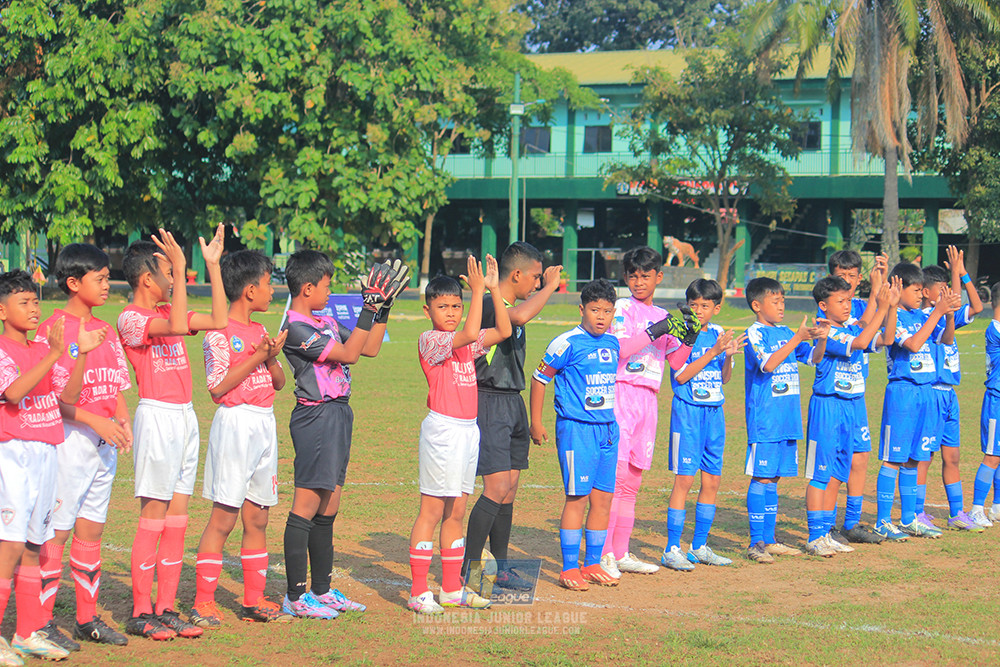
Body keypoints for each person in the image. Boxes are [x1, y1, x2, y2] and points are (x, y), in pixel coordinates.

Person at [279, 252, 405, 618]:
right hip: (315, 416)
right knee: (306, 505)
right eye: (327, 285)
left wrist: (381, 309)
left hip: (338, 415)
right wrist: (367, 305)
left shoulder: (325, 321)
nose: (330, 292)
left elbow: (369, 348)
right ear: (307, 287)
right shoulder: (297, 328)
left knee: (329, 505)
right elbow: (349, 355)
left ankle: (321, 589)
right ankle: (295, 597)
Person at [117, 226, 227, 640]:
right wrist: (181, 268)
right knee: (154, 516)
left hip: (184, 417)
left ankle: (166, 607)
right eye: (166, 273)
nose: (173, 279)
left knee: (178, 518)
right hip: (157, 416)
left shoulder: (167, 312)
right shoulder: (131, 318)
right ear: (148, 279)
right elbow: (181, 323)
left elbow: (218, 319)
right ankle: (141, 611)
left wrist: (211, 267)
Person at [0, 270, 105, 663]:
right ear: (1, 309)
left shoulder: (43, 348)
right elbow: (12, 393)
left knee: (33, 545)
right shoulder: (6, 350)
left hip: (46, 451)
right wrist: (53, 353)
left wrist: (82, 354)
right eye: (23, 302)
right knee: (8, 545)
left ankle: (27, 633)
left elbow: (69, 395)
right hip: (13, 453)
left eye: (34, 301)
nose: (33, 309)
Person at [35, 244, 133, 650]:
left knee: (91, 531)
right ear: (74, 283)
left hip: (103, 443)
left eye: (108, 277)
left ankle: (86, 618)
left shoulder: (105, 329)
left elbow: (117, 383)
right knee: (56, 532)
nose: (108, 285)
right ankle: (40, 623)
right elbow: (52, 399)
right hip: (70, 440)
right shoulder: (54, 331)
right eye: (100, 278)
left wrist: (122, 418)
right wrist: (94, 420)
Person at [190, 250, 290, 627]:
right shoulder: (218, 334)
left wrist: (271, 356)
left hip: (265, 423)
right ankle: (203, 602)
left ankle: (253, 599)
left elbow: (279, 383)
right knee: (224, 517)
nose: (272, 291)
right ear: (250, 291)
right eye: (267, 284)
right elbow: (217, 388)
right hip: (235, 424)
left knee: (258, 517)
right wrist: (254, 357)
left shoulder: (260, 332)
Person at [408, 255, 511, 614]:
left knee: (457, 511)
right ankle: (419, 591)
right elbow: (468, 332)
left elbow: (503, 331)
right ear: (428, 310)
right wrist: (478, 289)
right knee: (432, 510)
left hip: (469, 431)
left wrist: (494, 291)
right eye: (443, 306)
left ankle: (451, 589)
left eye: (456, 305)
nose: (450, 312)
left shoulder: (465, 342)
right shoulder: (431, 340)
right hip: (443, 431)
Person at [463, 242, 562, 588]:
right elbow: (517, 317)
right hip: (490, 401)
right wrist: (551, 286)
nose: (537, 283)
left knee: (510, 489)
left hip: (512, 401)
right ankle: (470, 570)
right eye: (535, 277)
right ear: (516, 274)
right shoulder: (492, 304)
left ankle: (500, 568)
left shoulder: (512, 306)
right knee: (496, 487)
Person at [600, 246, 694, 578]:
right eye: (633, 275)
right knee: (616, 478)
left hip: (649, 401)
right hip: (622, 394)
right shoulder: (622, 309)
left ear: (659, 277)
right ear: (626, 277)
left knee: (634, 482)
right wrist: (657, 330)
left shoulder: (662, 315)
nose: (639, 281)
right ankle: (604, 552)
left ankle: (621, 552)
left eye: (645, 275)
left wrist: (690, 336)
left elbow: (677, 363)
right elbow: (622, 350)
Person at [529, 279, 622, 591]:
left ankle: (593, 563)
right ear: (582, 309)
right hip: (576, 429)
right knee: (577, 497)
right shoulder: (565, 343)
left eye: (607, 311)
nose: (601, 316)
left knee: (603, 499)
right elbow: (539, 379)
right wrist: (536, 422)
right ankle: (569, 568)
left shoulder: (613, 343)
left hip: (608, 430)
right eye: (595, 310)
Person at [805, 276, 893, 557]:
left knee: (838, 472)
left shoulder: (849, 326)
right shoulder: (827, 330)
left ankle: (827, 531)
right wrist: (880, 306)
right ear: (823, 305)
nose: (847, 305)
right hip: (828, 406)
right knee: (820, 472)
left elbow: (887, 338)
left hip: (850, 406)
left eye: (848, 300)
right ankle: (814, 535)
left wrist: (889, 308)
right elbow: (861, 341)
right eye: (840, 301)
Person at [662, 278, 743, 570]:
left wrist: (728, 358)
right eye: (693, 305)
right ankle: (672, 548)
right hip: (688, 414)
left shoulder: (720, 333)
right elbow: (681, 376)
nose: (698, 311)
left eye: (705, 306)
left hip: (715, 414)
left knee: (712, 480)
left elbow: (724, 379)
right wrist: (713, 353)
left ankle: (699, 546)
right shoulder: (681, 335)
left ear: (716, 308)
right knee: (684, 479)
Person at [875, 262, 960, 540]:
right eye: (915, 289)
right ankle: (883, 520)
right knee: (893, 459)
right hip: (903, 392)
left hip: (926, 393)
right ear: (899, 288)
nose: (920, 293)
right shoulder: (894, 316)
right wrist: (936, 312)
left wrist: (947, 317)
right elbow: (911, 344)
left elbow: (945, 341)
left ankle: (910, 518)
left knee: (914, 458)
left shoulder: (920, 315)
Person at [742, 277, 818, 564]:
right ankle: (755, 543)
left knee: (774, 478)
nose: (782, 305)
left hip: (788, 418)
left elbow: (814, 359)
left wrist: (820, 339)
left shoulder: (786, 331)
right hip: (766, 420)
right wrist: (797, 338)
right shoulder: (754, 333)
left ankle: (770, 540)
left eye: (783, 300)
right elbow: (768, 364)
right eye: (776, 301)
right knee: (761, 477)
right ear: (757, 305)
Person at [822, 250, 888, 544]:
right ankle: (826, 525)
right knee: (835, 462)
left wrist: (880, 294)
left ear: (859, 278)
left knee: (860, 459)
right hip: (834, 398)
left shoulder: (855, 306)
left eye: (851, 276)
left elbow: (875, 333)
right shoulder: (828, 316)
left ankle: (852, 522)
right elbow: (861, 332)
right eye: (840, 276)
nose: (846, 282)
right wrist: (879, 296)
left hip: (857, 396)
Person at [918, 249, 984, 530]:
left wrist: (960, 272)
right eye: (941, 289)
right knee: (924, 455)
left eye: (948, 288)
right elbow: (946, 335)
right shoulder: (925, 317)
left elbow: (977, 307)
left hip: (950, 395)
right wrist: (945, 314)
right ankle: (916, 512)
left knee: (952, 456)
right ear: (925, 292)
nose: (947, 293)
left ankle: (957, 513)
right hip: (931, 392)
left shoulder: (946, 313)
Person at [972, 282, 1000, 524]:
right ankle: (976, 509)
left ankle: (997, 506)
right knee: (991, 456)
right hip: (996, 399)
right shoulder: (994, 329)